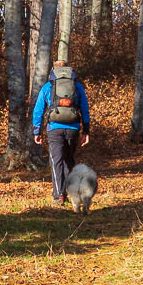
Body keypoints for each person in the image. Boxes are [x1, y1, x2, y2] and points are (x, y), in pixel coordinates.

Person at [32, 63, 91, 205]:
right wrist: (86, 131)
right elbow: (85, 109)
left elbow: (38, 109)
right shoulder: (77, 86)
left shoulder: (48, 86)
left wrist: (37, 130)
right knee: (69, 160)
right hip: (73, 128)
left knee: (56, 161)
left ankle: (59, 195)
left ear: (54, 70)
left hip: (54, 129)